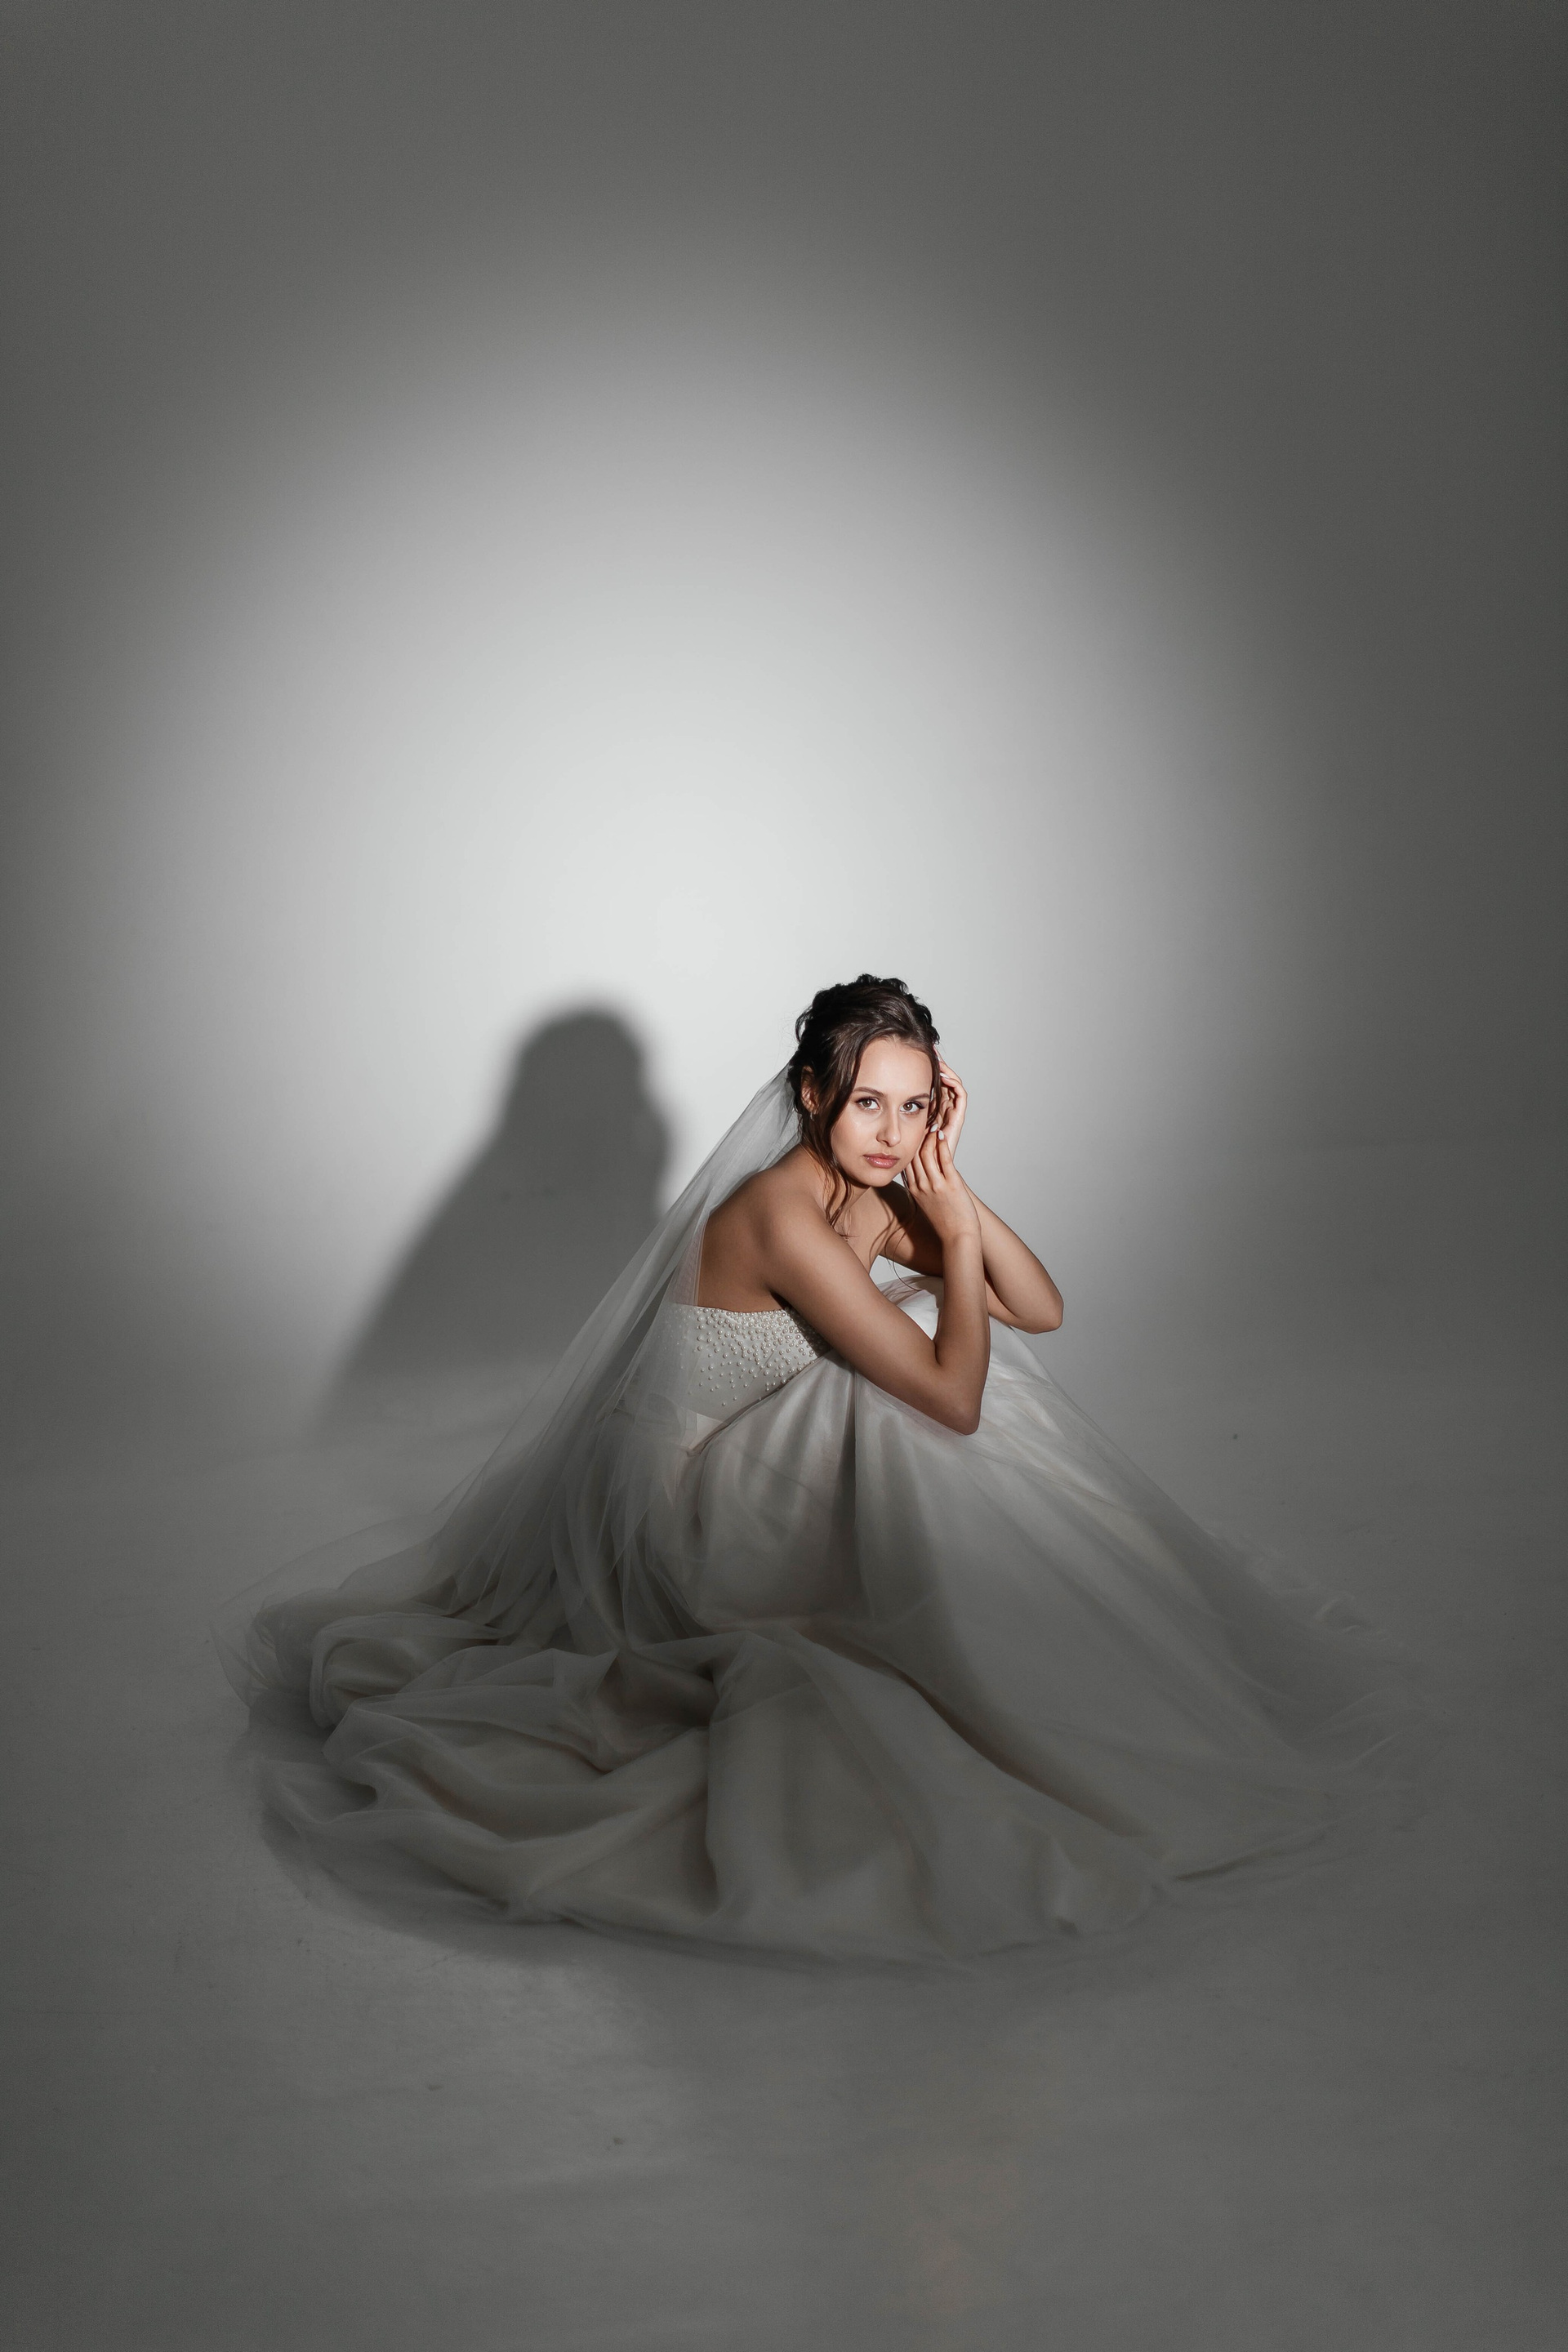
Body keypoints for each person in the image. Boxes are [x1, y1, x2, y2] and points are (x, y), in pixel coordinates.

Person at [219, 976, 1419, 1962]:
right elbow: (952, 1398)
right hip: (683, 1515)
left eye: (916, 1106)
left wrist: (953, 1189)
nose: (893, 1134)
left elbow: (1040, 1307)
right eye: (869, 1105)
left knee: (946, 1355)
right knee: (911, 1384)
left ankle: (1028, 1661)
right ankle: (999, 1661)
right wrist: (951, 1239)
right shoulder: (779, 1212)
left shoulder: (880, 1189)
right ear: (811, 1095)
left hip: (765, 1469)